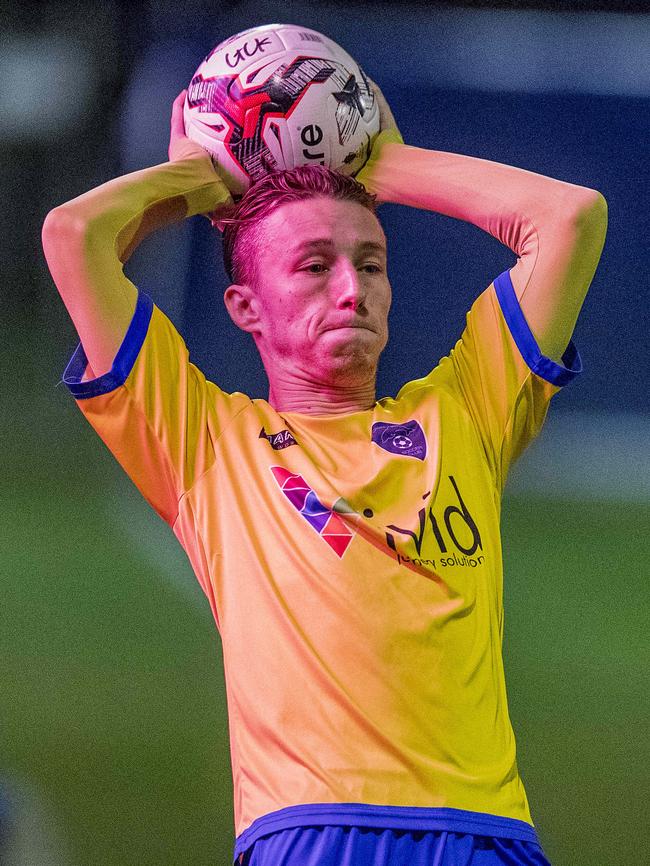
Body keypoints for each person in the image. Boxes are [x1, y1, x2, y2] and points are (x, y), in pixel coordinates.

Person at [41, 75, 607, 866]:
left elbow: (568, 217)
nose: (352, 291)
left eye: (370, 265)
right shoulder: (202, 442)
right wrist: (214, 175)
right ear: (246, 307)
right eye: (314, 267)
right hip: (308, 834)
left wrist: (384, 164)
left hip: (489, 834)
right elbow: (76, 235)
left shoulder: (468, 408)